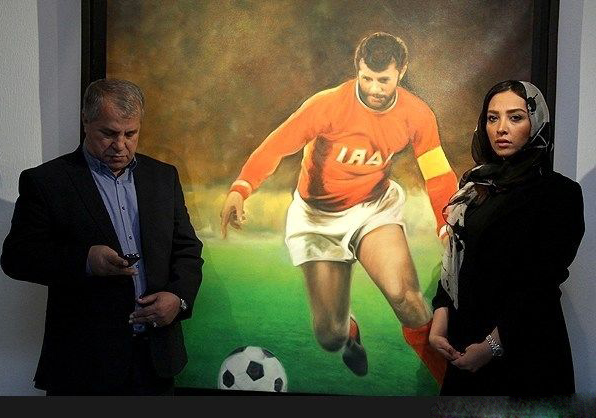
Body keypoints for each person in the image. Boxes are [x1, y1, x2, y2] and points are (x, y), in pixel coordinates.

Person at [220, 32, 457, 383]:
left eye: (384, 80)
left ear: (401, 72)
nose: (374, 88)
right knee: (329, 334)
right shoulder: (327, 105)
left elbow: (437, 174)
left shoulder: (416, 114)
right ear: (357, 69)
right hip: (316, 218)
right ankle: (348, 333)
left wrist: (446, 225)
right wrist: (241, 188)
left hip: (374, 207)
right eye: (367, 78)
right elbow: (276, 146)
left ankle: (453, 385)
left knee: (408, 300)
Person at [0, 79, 204, 395]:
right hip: (82, 365)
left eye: (130, 134)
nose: (120, 145)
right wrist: (85, 260)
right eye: (108, 133)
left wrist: (178, 299)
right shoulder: (46, 181)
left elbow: (187, 249)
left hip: (156, 361)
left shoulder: (163, 177)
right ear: (86, 121)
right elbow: (17, 258)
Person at [429, 80, 585, 395]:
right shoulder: (475, 190)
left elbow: (542, 283)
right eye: (492, 118)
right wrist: (440, 320)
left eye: (515, 117)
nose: (501, 128)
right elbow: (458, 263)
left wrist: (492, 346)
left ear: (536, 123)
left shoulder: (559, 193)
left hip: (525, 352)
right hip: (466, 347)